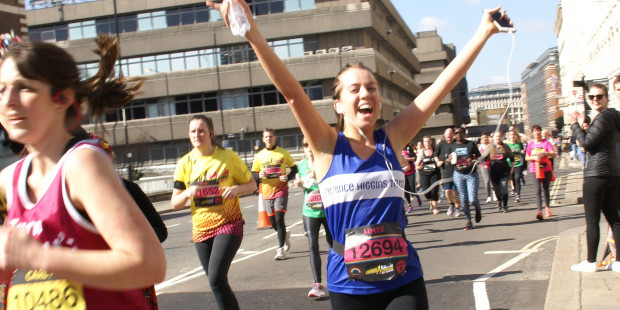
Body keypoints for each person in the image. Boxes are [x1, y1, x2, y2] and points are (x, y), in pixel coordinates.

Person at [206, 1, 511, 307]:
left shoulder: (391, 138)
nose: (365, 93)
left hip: (403, 278)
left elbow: (443, 86)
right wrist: (251, 32)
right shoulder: (326, 145)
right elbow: (292, 94)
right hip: (349, 285)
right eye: (354, 90)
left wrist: (483, 32)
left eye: (372, 88)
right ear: (338, 104)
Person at [0, 35, 166, 308]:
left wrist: (39, 256)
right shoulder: (9, 180)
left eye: (24, 88)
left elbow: (149, 264)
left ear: (62, 97)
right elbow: (15, 273)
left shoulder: (82, 165)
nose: (8, 102)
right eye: (1, 90)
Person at [171, 115, 257, 309]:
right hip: (201, 229)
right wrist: (187, 193)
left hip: (229, 223)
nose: (197, 135)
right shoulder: (184, 163)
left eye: (201, 130)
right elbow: (175, 203)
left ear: (210, 133)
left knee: (216, 278)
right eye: (193, 131)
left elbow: (251, 184)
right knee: (216, 282)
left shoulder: (228, 157)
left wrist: (236, 189)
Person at [567, 84, 620, 273]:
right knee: (614, 218)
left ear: (606, 98)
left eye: (599, 96)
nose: (595, 100)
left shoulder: (604, 116)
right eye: (592, 97)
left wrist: (574, 124)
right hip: (612, 173)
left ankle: (590, 262)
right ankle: (618, 261)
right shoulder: (614, 117)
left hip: (596, 174)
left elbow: (587, 144)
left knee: (592, 219)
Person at [294, 137, 333, 298]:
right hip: (310, 211)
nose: (308, 147)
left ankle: (340, 277)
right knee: (312, 246)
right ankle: (318, 284)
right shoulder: (301, 165)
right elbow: (303, 184)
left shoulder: (324, 161)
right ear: (303, 148)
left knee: (334, 245)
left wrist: (318, 176)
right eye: (305, 145)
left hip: (327, 209)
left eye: (311, 143)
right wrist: (299, 183)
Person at [251, 128, 297, 260]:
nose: (269, 139)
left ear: (275, 138)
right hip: (266, 192)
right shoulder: (259, 156)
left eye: (271, 136)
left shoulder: (283, 153)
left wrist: (288, 177)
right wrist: (258, 175)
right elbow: (254, 174)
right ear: (263, 139)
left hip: (281, 191)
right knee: (273, 222)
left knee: (279, 219)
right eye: (266, 137)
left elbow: (294, 168)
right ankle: (285, 234)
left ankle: (280, 249)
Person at [452, 128, 482, 230]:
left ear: (464, 134)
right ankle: (468, 220)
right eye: (456, 133)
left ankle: (478, 208)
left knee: (472, 199)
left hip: (471, 174)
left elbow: (479, 157)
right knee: (463, 198)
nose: (459, 135)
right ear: (454, 135)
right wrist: (450, 159)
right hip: (458, 174)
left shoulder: (471, 144)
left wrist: (473, 161)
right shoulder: (452, 145)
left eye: (461, 133)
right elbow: (447, 159)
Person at [525, 125, 556, 220]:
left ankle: (547, 207)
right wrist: (533, 158)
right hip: (534, 169)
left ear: (540, 132)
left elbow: (554, 154)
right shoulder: (530, 144)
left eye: (538, 131)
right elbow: (526, 157)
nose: (537, 133)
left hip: (545, 168)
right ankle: (539, 211)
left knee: (545, 189)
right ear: (533, 133)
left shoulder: (546, 143)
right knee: (537, 190)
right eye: (535, 131)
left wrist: (546, 153)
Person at [480, 131, 514, 213]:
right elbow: (483, 158)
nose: (498, 138)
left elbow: (512, 159)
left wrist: (511, 169)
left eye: (499, 136)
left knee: (504, 188)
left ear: (502, 137)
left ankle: (505, 205)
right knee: (497, 190)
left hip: (504, 170)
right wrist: (484, 164)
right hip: (494, 171)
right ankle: (499, 201)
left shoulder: (505, 147)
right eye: (496, 136)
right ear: (493, 138)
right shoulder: (490, 147)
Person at [434, 128, 463, 216]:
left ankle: (458, 209)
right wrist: (437, 161)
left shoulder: (457, 143)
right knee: (447, 191)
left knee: (457, 192)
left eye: (450, 137)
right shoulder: (441, 144)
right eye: (447, 137)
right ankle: (451, 204)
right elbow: (435, 154)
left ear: (453, 135)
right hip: (446, 172)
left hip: (458, 171)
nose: (449, 139)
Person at [416, 136, 441, 214]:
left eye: (428, 141)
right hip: (425, 174)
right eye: (425, 141)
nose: (427, 143)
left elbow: (439, 160)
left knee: (434, 191)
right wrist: (419, 163)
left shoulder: (435, 151)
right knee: (426, 192)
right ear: (423, 143)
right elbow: (417, 164)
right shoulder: (421, 152)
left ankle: (435, 208)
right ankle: (431, 200)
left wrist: (439, 162)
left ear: (431, 142)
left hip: (435, 173)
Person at [506, 130, 525, 203]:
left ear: (516, 136)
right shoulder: (507, 144)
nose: (512, 136)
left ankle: (518, 195)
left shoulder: (519, 143)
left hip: (518, 163)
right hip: (510, 164)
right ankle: (515, 189)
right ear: (508, 136)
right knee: (513, 179)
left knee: (517, 178)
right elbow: (504, 154)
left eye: (514, 134)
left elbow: (523, 151)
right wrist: (510, 151)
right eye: (511, 135)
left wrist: (522, 151)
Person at [402, 142, 419, 213]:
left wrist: (408, 159)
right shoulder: (397, 148)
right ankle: (410, 206)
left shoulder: (408, 148)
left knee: (412, 188)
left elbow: (414, 158)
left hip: (411, 170)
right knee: (405, 189)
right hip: (402, 171)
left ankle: (417, 196)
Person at [478, 133, 493, 203]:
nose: (485, 139)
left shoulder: (491, 146)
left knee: (493, 180)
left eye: (486, 137)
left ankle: (494, 193)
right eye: (483, 138)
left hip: (492, 165)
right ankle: (489, 196)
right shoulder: (479, 148)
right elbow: (479, 158)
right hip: (484, 166)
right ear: (481, 140)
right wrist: (483, 164)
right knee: (487, 181)